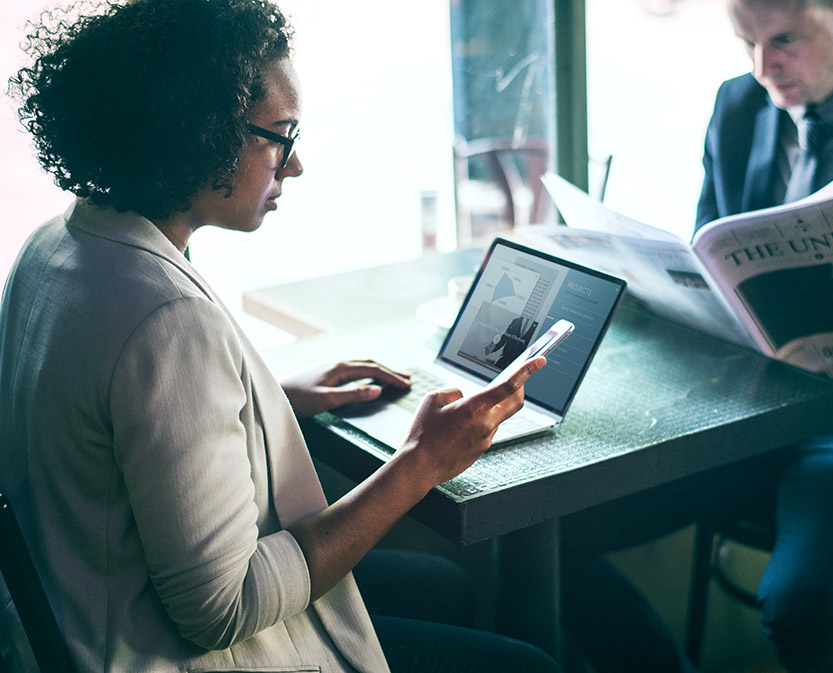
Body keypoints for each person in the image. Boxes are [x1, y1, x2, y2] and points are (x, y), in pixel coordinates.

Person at [0, 2, 562, 672]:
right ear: (199, 136)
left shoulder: (56, 247)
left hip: (83, 613)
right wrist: (421, 462)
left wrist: (265, 399)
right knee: (530, 665)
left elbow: (121, 425)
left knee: (444, 588)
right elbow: (223, 607)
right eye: (280, 137)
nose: (292, 167)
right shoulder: (167, 319)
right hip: (168, 650)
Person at [560, 1, 833, 672]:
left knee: (805, 601)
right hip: (751, 406)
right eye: (747, 44)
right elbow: (712, 259)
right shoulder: (736, 106)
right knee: (551, 534)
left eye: (786, 39)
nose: (766, 67)